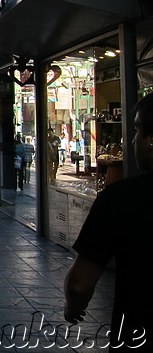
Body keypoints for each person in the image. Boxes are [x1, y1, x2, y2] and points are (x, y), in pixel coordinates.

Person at [63, 93, 153, 349]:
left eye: (136, 129)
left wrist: (73, 307)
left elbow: (80, 284)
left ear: (151, 141)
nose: (132, 140)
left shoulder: (121, 198)